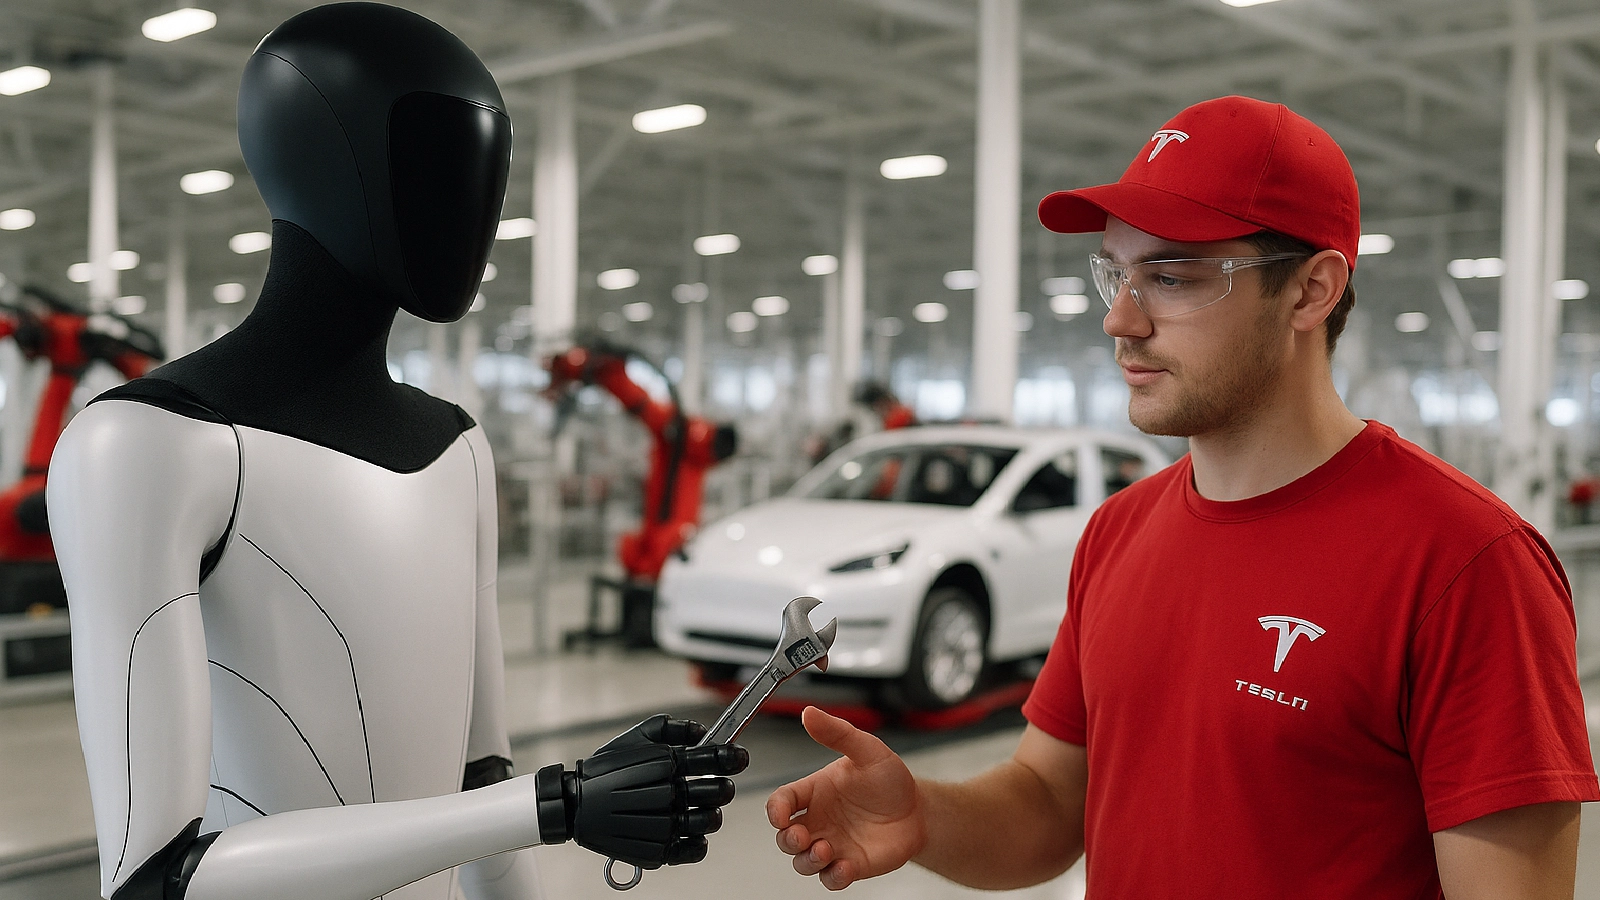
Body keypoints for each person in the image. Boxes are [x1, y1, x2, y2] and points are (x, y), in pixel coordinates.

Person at [767, 95, 1598, 899]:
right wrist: (924, 815)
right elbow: (1050, 807)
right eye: (1116, 274)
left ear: (1312, 291)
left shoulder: (1464, 563)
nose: (1121, 321)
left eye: (1172, 277)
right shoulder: (1117, 532)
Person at [48, 7, 741, 900]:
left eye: (490, 174)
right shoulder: (144, 446)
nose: (473, 210)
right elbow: (154, 881)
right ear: (312, 159)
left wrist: (535, 808)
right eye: (435, 164)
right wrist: (557, 804)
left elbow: (480, 776)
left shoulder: (459, 448)